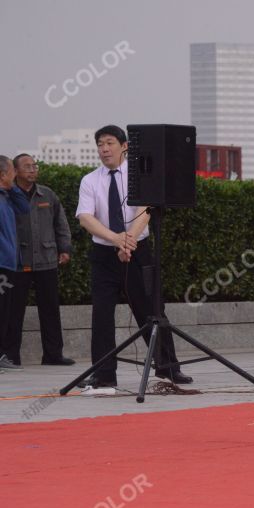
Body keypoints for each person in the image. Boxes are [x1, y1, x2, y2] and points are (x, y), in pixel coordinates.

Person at [75, 125, 192, 388]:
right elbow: (85, 217)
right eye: (100, 144)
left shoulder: (140, 174)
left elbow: (147, 208)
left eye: (109, 143)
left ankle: (168, 368)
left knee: (151, 310)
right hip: (104, 255)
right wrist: (116, 239)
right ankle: (104, 374)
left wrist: (128, 241)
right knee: (102, 315)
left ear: (125, 145)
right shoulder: (90, 180)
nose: (104, 149)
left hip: (138, 250)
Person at [5, 154, 75, 366]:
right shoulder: (8, 196)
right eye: (27, 166)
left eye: (35, 166)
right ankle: (11, 356)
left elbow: (61, 224)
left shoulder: (48, 194)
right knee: (14, 311)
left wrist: (64, 248)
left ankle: (53, 355)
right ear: (15, 171)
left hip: (47, 260)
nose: (33, 169)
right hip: (18, 262)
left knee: (50, 309)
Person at [0, 155, 30, 371]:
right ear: (3, 175)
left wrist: (11, 188)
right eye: (12, 171)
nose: (16, 175)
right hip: (1, 264)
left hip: (10, 264)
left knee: (6, 313)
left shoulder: (7, 197)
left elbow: (24, 208)